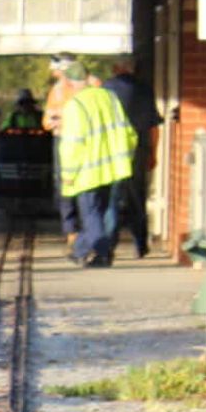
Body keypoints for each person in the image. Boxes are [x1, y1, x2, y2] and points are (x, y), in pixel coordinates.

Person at [58, 76, 137, 268]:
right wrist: (127, 158)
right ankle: (82, 250)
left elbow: (72, 145)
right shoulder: (110, 98)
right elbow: (129, 133)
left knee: (91, 215)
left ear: (70, 84)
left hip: (88, 173)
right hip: (112, 169)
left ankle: (101, 254)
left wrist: (68, 175)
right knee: (100, 214)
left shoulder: (75, 106)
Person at [102, 59, 163, 259]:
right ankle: (141, 244)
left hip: (112, 151)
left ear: (116, 68)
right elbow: (153, 127)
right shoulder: (145, 90)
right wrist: (154, 152)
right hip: (138, 150)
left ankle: (108, 245)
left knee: (112, 199)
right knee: (138, 198)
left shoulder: (106, 89)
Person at [45, 56, 88, 242]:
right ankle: (71, 229)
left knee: (81, 182)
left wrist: (60, 117)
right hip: (63, 138)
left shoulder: (86, 88)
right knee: (65, 183)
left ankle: (81, 227)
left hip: (80, 138)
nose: (56, 75)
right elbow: (47, 121)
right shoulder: (56, 91)